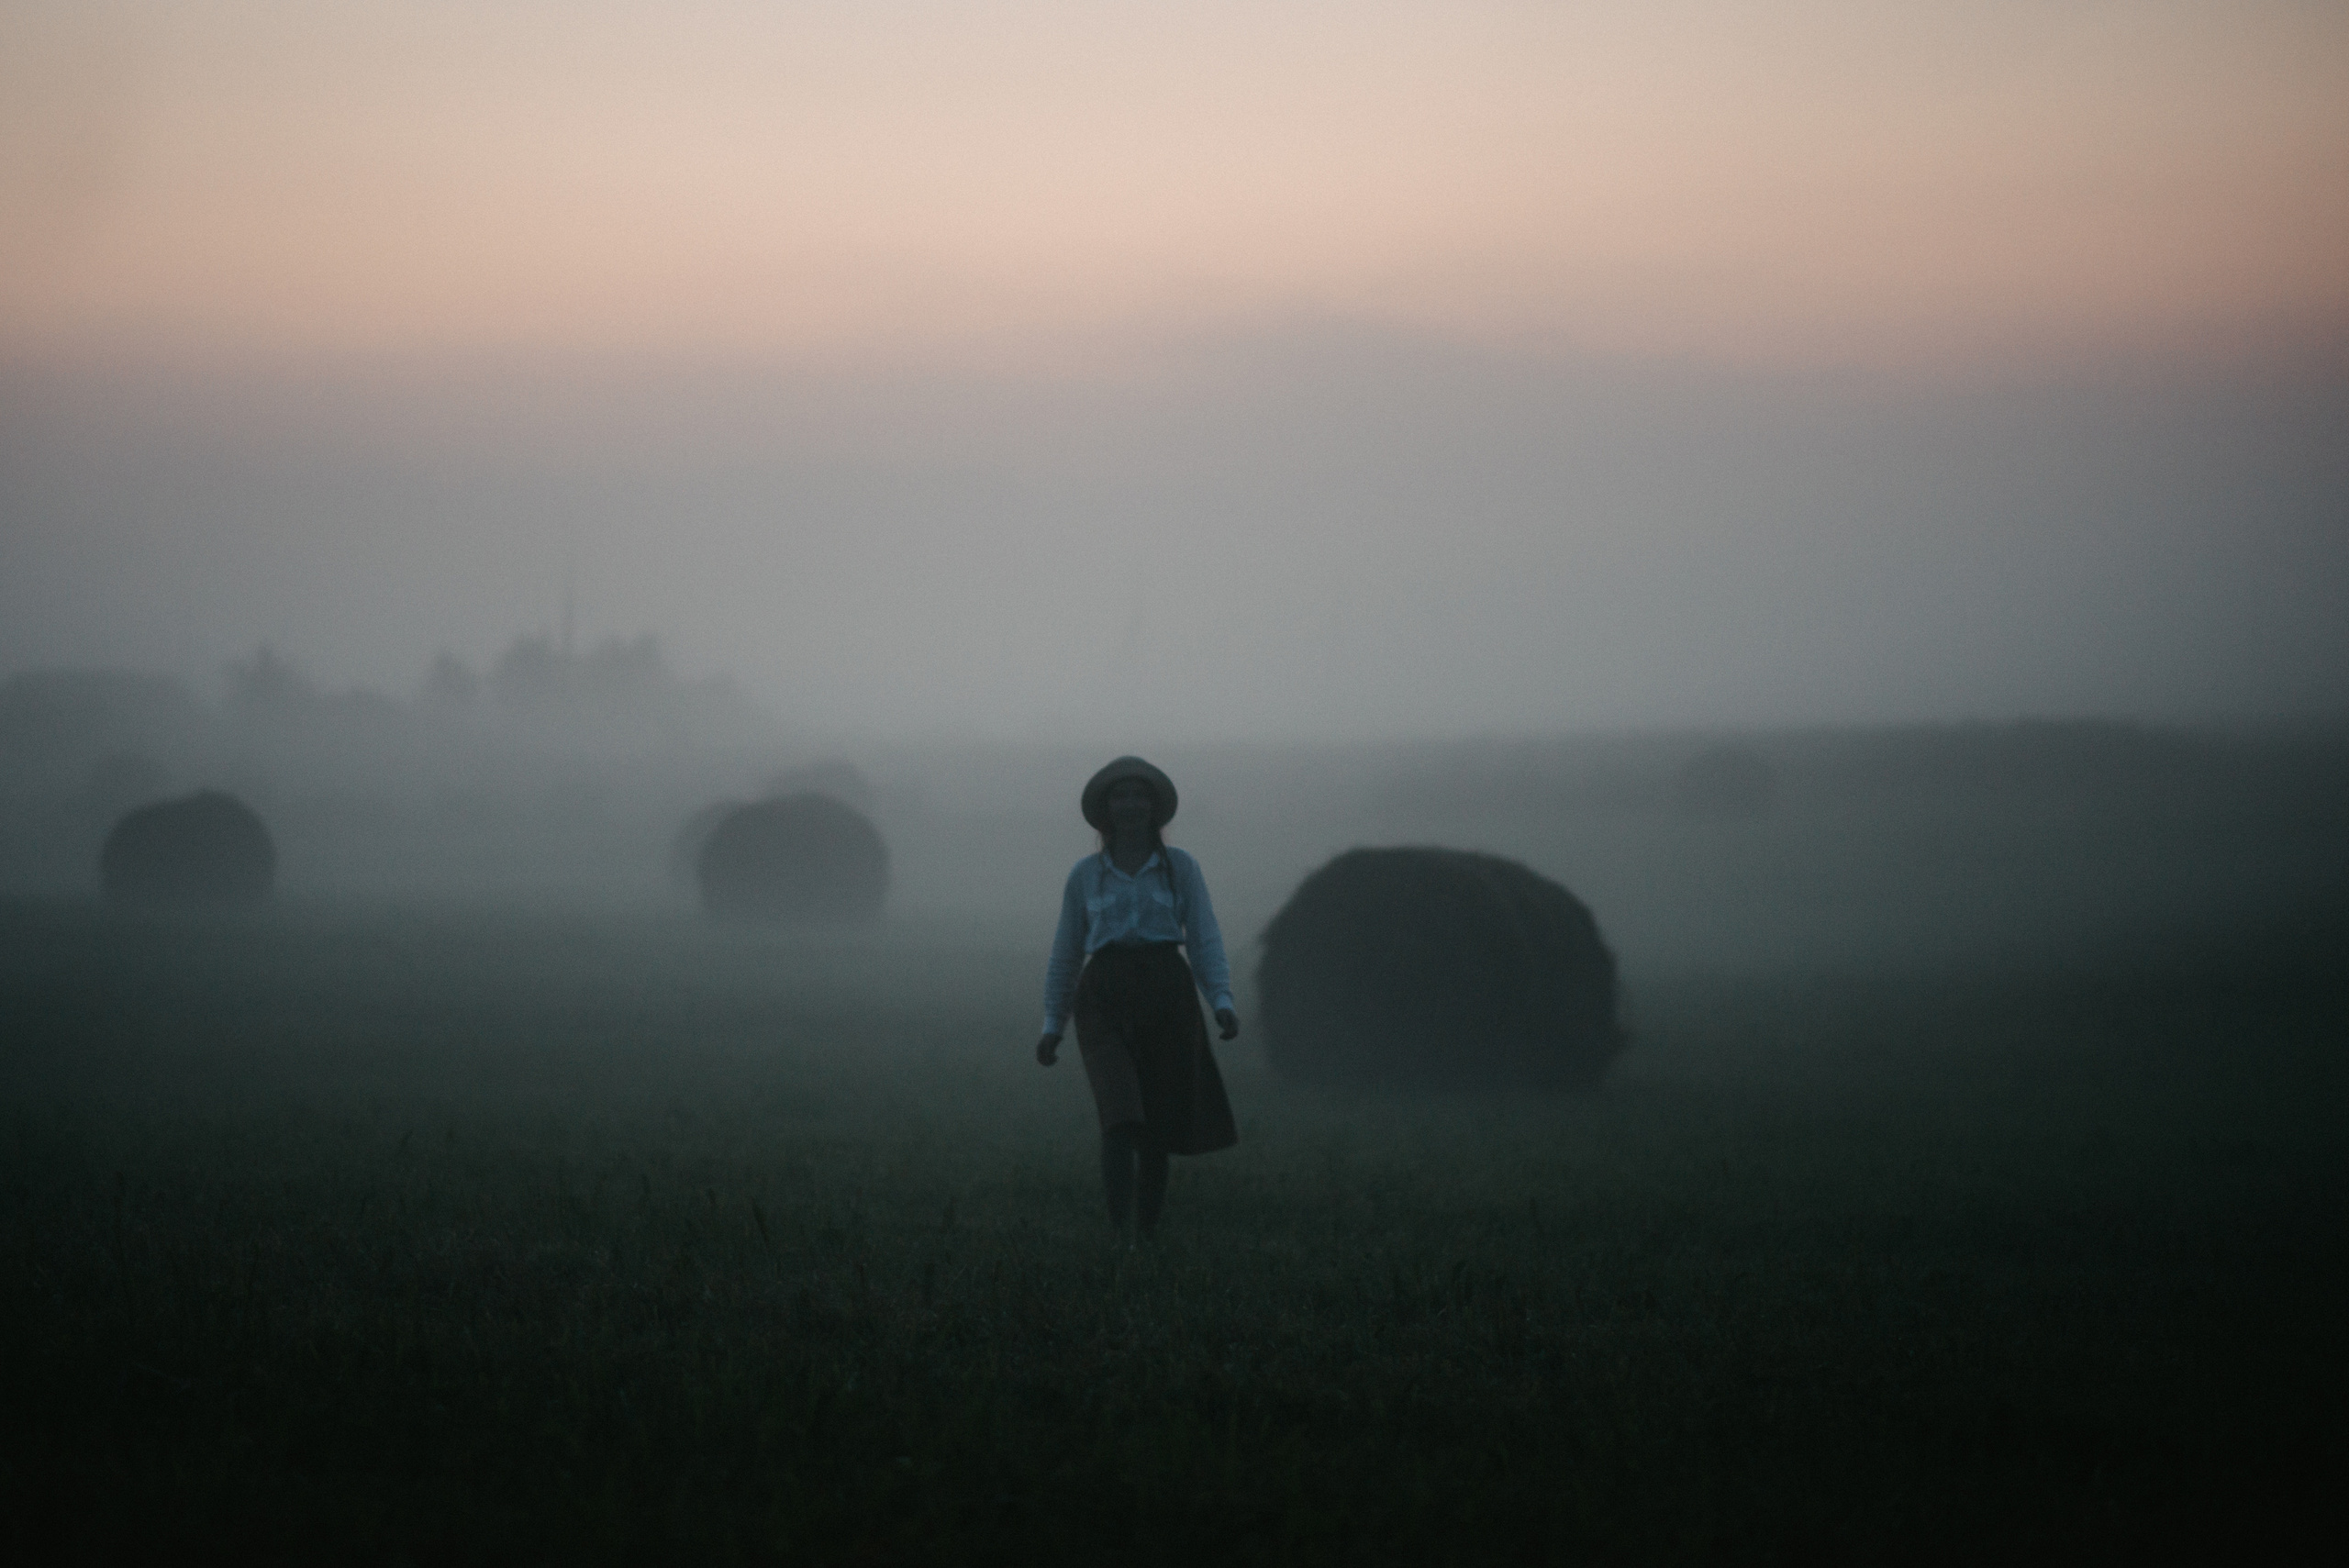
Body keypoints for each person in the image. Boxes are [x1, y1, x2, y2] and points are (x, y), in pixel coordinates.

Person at [1038, 756, 1239, 1239]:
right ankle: (1118, 1231)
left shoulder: (1181, 868)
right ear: (1106, 809)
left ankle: (1145, 1232)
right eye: (1120, 795)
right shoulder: (1084, 875)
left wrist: (1222, 1001)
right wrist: (1052, 1024)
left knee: (1157, 1125)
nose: (1131, 804)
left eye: (1140, 795)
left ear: (1154, 808)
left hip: (1166, 991)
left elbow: (1204, 938)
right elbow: (1066, 952)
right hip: (1102, 995)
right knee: (1120, 1116)